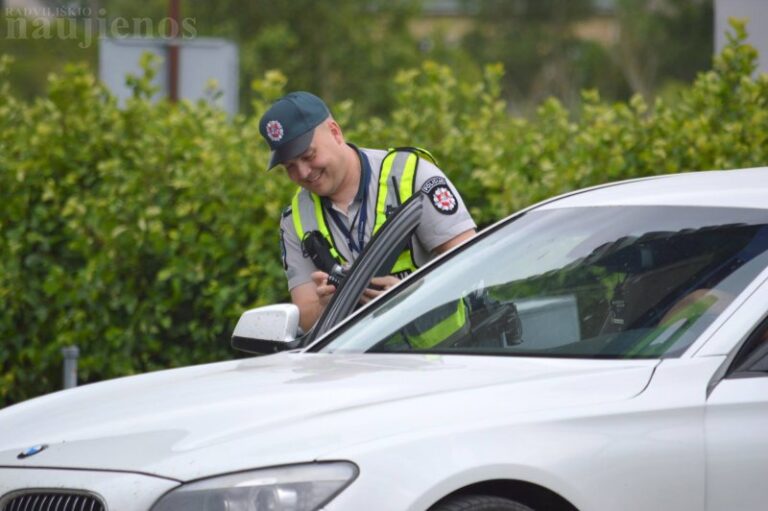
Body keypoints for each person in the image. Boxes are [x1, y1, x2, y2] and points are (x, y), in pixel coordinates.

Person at [259, 91, 476, 331]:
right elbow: (306, 317)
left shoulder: (412, 176)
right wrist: (328, 303)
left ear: (335, 132)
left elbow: (473, 265)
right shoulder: (295, 219)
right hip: (359, 364)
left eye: (309, 156)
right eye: (289, 167)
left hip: (442, 356)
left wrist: (411, 295)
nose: (302, 173)